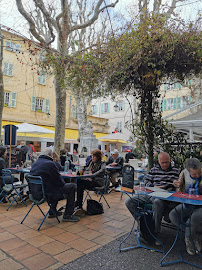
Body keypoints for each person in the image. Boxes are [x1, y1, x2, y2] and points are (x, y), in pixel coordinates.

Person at [125, 152, 180, 244]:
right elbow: (146, 181)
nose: (164, 165)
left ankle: (155, 233)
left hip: (164, 197)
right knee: (129, 201)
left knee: (158, 203)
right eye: (162, 162)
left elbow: (179, 185)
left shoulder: (176, 171)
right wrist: (153, 186)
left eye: (166, 162)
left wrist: (177, 184)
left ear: (170, 161)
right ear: (158, 161)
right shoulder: (154, 170)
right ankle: (142, 224)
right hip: (150, 194)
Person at [30, 147, 80, 222]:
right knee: (72, 186)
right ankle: (68, 215)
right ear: (50, 154)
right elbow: (59, 182)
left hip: (35, 193)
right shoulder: (50, 164)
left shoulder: (35, 163)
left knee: (53, 186)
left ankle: (52, 211)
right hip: (47, 194)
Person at [169, 158, 202, 255]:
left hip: (200, 206)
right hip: (189, 203)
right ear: (188, 171)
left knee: (191, 221)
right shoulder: (184, 173)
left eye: (199, 172)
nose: (198, 175)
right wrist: (177, 184)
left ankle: (189, 239)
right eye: (194, 174)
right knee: (173, 215)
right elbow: (179, 185)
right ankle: (194, 236)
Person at [75, 149, 106, 216]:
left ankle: (79, 204)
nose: (92, 158)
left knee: (81, 184)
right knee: (79, 181)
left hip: (98, 182)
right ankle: (78, 203)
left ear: (98, 157)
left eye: (94, 156)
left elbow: (103, 170)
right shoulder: (91, 162)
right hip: (91, 180)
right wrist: (85, 173)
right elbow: (87, 169)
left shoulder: (102, 163)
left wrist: (93, 175)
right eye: (92, 156)